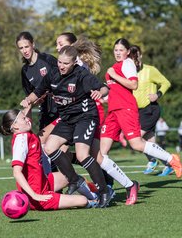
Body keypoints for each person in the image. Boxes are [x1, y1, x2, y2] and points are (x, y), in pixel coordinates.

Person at [21, 46, 112, 208]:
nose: (61, 66)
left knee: (83, 154)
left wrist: (100, 92)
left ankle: (105, 191)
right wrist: (28, 100)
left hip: (85, 117)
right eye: (59, 62)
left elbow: (104, 87)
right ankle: (75, 180)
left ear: (73, 63)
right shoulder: (53, 74)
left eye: (65, 63)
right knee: (49, 147)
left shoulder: (81, 74)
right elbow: (38, 91)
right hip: (67, 119)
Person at [99, 38, 182, 193]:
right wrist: (102, 96)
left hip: (126, 109)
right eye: (115, 50)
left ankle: (171, 159)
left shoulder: (128, 63)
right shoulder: (114, 67)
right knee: (101, 154)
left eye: (121, 50)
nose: (118, 53)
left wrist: (113, 75)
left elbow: (133, 85)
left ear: (127, 52)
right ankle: (104, 186)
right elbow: (115, 91)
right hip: (113, 111)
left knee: (136, 144)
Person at [0, 108, 98, 210]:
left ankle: (94, 197)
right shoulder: (21, 140)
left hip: (43, 182)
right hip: (38, 196)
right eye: (24, 119)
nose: (27, 119)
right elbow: (16, 173)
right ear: (15, 126)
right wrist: (34, 195)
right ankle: (92, 201)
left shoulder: (27, 134)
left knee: (72, 175)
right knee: (82, 201)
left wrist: (30, 104)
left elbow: (28, 117)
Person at [55, 32, 114, 190]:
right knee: (60, 151)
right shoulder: (64, 65)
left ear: (72, 46)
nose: (57, 47)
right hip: (72, 114)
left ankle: (118, 184)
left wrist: (101, 92)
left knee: (94, 156)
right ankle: (74, 181)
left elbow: (99, 87)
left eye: (61, 44)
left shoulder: (77, 67)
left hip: (87, 113)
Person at [16, 31, 62, 174]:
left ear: (33, 45)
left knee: (72, 149)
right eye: (21, 48)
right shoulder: (25, 71)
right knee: (44, 147)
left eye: (26, 46)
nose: (24, 51)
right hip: (46, 112)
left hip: (62, 109)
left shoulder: (48, 60)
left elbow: (63, 81)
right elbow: (31, 98)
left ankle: (95, 179)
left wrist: (51, 92)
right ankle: (54, 186)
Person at [130, 45, 172, 175]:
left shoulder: (150, 70)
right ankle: (168, 164)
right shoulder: (129, 73)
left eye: (136, 56)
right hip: (137, 112)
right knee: (150, 142)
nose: (134, 59)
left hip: (150, 110)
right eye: (131, 57)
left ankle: (153, 160)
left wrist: (157, 95)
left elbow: (166, 83)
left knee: (136, 139)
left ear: (140, 55)